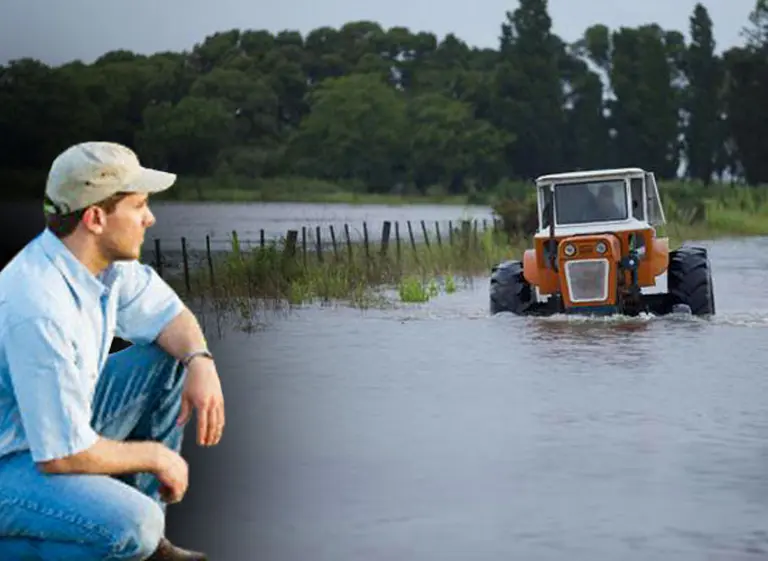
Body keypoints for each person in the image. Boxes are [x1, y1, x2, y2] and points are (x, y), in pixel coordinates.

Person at [0, 141, 225, 560]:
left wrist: (199, 359)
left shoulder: (107, 269)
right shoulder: (37, 306)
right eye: (139, 205)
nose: (150, 218)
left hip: (46, 432)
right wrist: (156, 456)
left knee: (167, 361)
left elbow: (170, 318)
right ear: (96, 218)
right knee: (132, 525)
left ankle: (151, 549)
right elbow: (62, 455)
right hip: (12, 459)